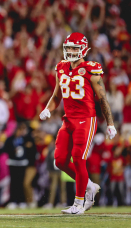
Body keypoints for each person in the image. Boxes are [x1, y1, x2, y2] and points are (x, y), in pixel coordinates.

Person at [40, 32, 117, 214]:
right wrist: (48, 109)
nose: (72, 51)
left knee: (79, 157)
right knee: (59, 161)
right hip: (68, 119)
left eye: (75, 48)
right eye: (69, 48)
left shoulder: (91, 68)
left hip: (86, 119)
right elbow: (57, 95)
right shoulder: (61, 67)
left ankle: (79, 203)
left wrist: (110, 123)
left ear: (84, 49)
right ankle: (89, 185)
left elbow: (103, 99)